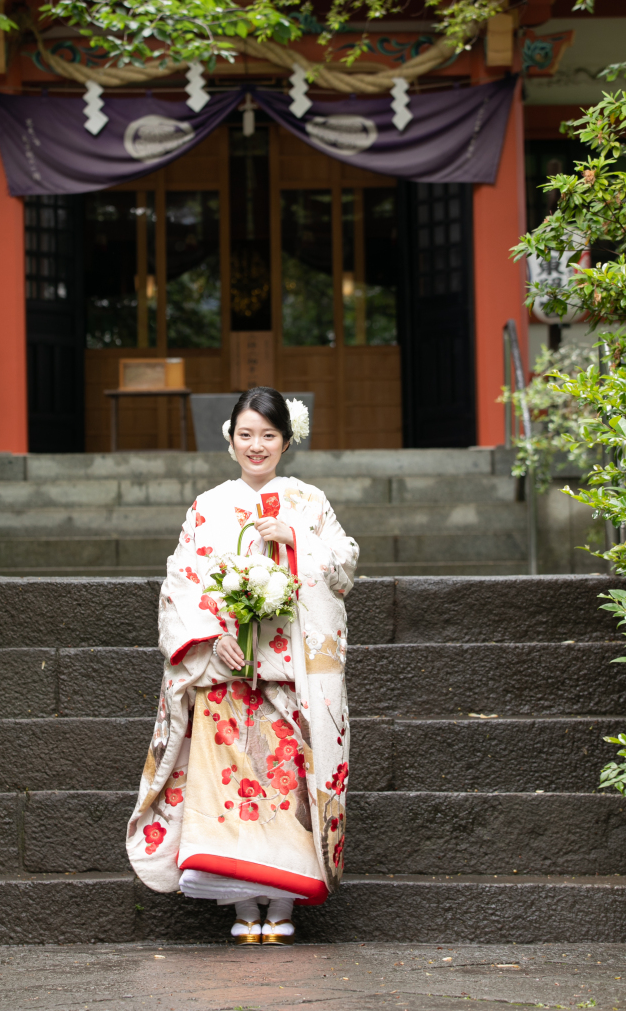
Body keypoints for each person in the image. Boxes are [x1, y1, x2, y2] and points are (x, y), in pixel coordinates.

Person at [126, 386, 359, 945]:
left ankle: (282, 901)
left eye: (268, 435)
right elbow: (181, 582)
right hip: (224, 671)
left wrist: (296, 539)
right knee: (231, 792)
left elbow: (344, 566)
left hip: (287, 674)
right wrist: (211, 638)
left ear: (287, 441)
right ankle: (243, 903)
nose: (257, 445)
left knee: (286, 789)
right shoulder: (207, 506)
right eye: (246, 434)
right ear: (230, 439)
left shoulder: (308, 502)